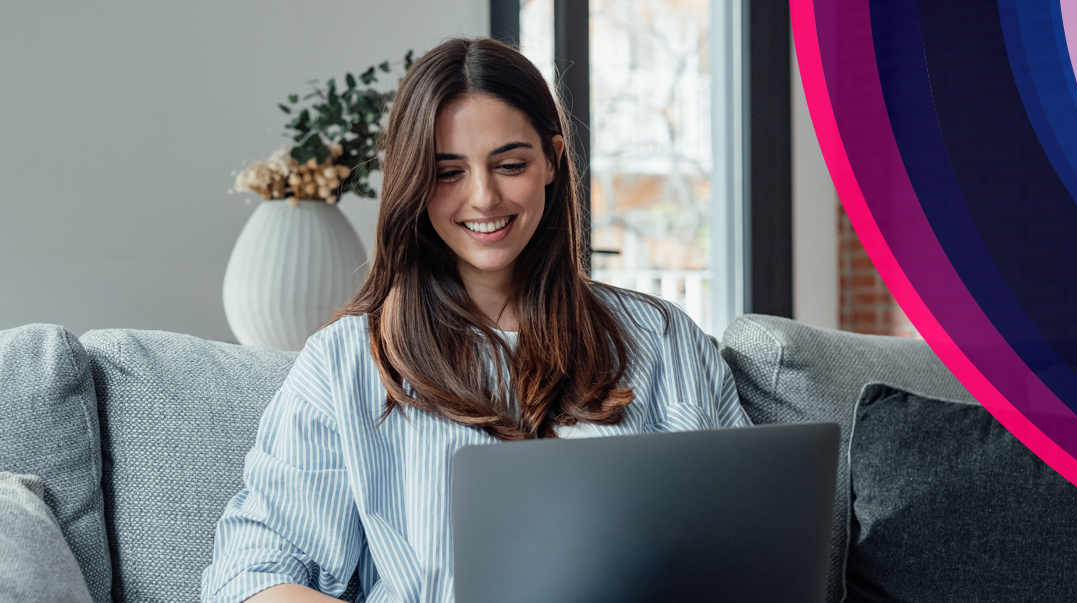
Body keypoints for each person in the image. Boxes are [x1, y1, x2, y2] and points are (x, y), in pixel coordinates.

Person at [199, 36, 750, 603]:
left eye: (510, 165)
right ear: (412, 180)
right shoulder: (345, 362)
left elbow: (748, 546)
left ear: (554, 162)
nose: (483, 198)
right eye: (448, 172)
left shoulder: (662, 339)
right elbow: (253, 573)